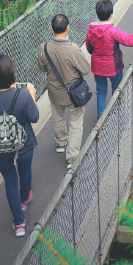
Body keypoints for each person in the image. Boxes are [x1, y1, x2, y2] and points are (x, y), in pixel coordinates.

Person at [0, 54, 39, 236]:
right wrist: (31, 95)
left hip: (0, 148)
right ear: (12, 75)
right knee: (25, 171)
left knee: (10, 181)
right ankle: (24, 199)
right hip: (23, 144)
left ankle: (19, 223)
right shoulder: (23, 94)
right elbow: (35, 117)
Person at [37, 14, 91, 170]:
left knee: (58, 117)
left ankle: (61, 143)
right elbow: (86, 69)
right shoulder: (72, 49)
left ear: (52, 28)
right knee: (76, 121)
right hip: (73, 94)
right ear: (68, 27)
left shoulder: (44, 47)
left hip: (54, 92)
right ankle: (72, 156)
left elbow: (42, 67)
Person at [86, 0, 133, 118]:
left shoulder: (91, 31)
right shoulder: (112, 31)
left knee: (101, 92)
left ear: (97, 14)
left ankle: (101, 119)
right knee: (117, 90)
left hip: (98, 67)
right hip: (114, 67)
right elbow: (131, 41)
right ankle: (115, 116)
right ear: (111, 15)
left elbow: (89, 48)